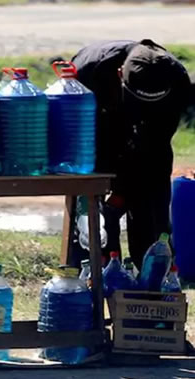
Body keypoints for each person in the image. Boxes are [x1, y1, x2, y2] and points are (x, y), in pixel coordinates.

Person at [72, 39, 192, 268]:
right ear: (119, 74)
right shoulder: (90, 71)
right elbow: (80, 138)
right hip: (97, 124)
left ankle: (152, 275)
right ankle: (93, 269)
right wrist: (106, 199)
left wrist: (123, 194)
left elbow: (154, 146)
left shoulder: (176, 78)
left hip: (149, 136)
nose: (141, 105)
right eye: (137, 99)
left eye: (149, 102)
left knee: (151, 203)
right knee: (92, 212)